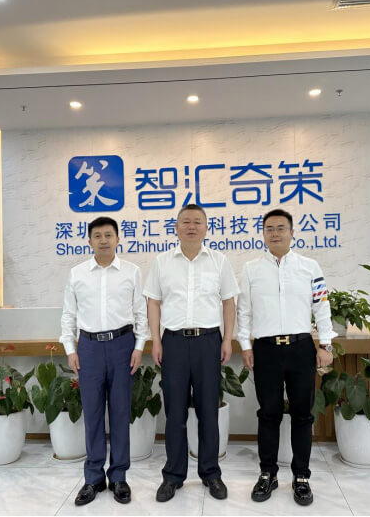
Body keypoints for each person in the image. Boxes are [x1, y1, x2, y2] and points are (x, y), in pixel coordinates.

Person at [236, 208, 335, 506]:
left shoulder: (310, 267)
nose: (275, 233)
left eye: (281, 228)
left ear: (292, 233)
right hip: (265, 349)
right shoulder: (251, 269)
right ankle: (267, 473)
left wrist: (326, 345)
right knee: (268, 413)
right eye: (269, 229)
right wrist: (246, 345)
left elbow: (322, 306)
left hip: (301, 348)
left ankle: (301, 477)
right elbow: (244, 311)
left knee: (303, 414)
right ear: (263, 234)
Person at [143, 204, 239, 503]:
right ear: (176, 227)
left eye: (198, 221)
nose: (192, 226)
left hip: (208, 341)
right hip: (173, 342)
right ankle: (173, 475)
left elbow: (229, 302)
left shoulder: (219, 261)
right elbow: (153, 303)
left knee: (209, 410)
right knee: (175, 412)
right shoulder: (162, 262)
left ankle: (211, 473)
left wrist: (227, 340)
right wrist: (156, 341)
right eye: (186, 221)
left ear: (206, 227)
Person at [59, 216, 149, 506]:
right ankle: (93, 478)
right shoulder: (77, 274)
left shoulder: (132, 272)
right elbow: (69, 315)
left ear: (118, 238)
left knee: (121, 412)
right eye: (97, 236)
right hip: (89, 348)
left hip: (123, 345)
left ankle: (119, 476)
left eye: (108, 235)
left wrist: (139, 346)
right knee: (93, 413)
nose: (103, 240)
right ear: (89, 241)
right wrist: (70, 349)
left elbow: (140, 313)